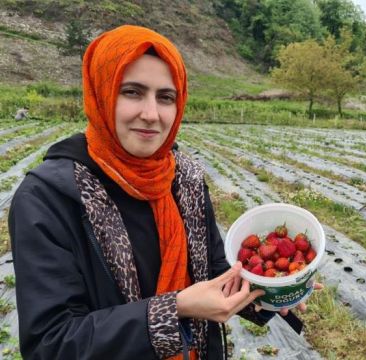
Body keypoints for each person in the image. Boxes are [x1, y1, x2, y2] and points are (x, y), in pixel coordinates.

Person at [9, 25, 317, 360]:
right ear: (101, 93)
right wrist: (177, 308)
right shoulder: (48, 198)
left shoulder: (184, 177)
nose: (151, 114)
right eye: (132, 92)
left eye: (165, 97)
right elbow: (50, 343)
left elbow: (216, 269)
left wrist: (268, 291)